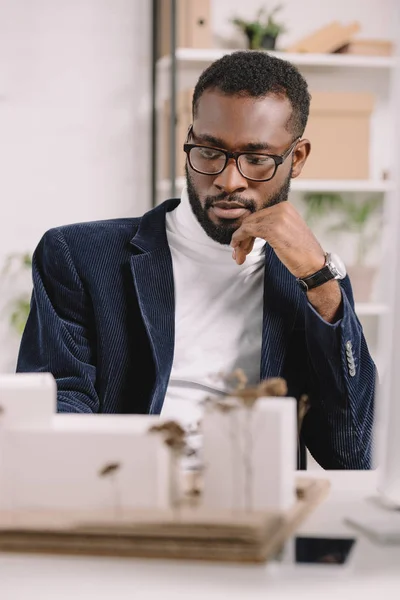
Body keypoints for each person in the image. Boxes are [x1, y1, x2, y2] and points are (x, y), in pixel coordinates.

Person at [17, 51, 375, 469]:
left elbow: (351, 455)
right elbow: (60, 401)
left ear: (295, 159)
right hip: (126, 495)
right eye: (209, 152)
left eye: (257, 160)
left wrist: (320, 282)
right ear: (189, 139)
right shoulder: (79, 256)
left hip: (255, 505)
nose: (228, 180)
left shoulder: (315, 281)